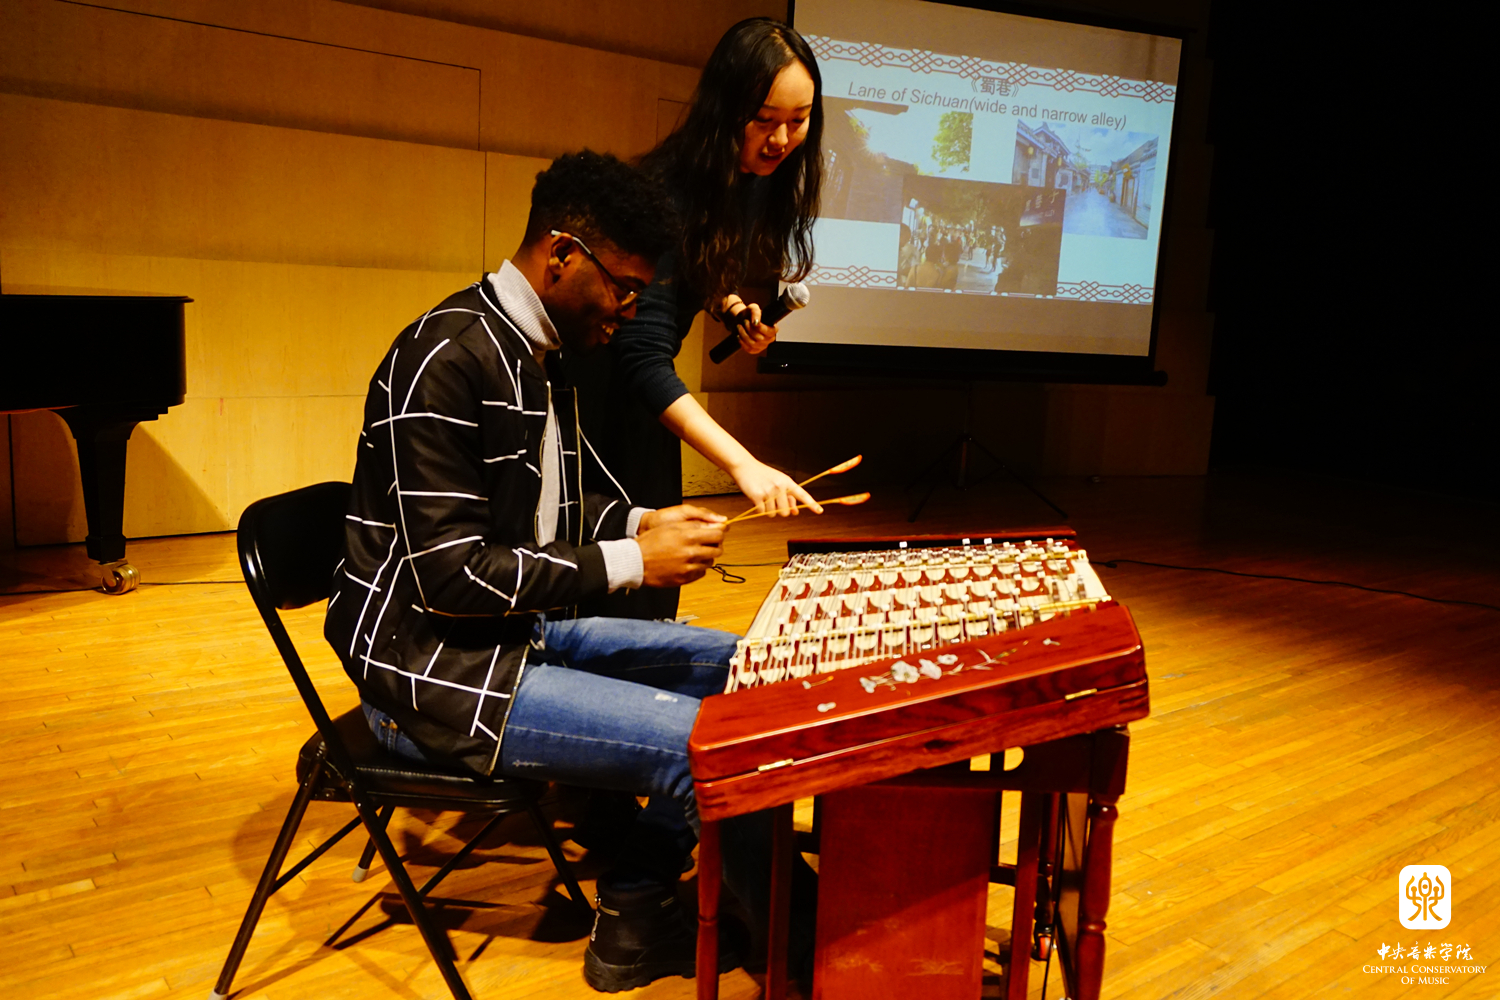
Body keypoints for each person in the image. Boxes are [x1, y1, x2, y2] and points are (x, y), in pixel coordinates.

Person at [324, 151, 812, 993]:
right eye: (625, 288)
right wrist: (633, 561)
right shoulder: (447, 358)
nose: (632, 311)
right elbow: (451, 578)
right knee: (723, 747)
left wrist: (638, 522)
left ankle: (637, 901)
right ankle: (817, 953)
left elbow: (547, 512)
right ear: (561, 256)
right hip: (431, 676)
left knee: (749, 671)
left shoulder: (534, 352)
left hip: (513, 638)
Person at [564, 18, 827, 622]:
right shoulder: (667, 189)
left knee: (657, 589)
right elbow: (639, 355)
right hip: (598, 406)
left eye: (799, 120)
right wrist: (743, 464)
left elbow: (695, 263)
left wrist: (730, 306)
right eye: (763, 119)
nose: (781, 138)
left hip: (638, 402)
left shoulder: (750, 177)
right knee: (620, 589)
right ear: (724, 109)